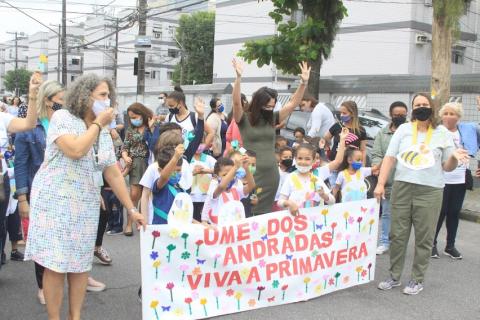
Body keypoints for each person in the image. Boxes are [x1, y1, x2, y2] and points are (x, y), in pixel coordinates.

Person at [24, 73, 145, 320]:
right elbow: (76, 150)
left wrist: (132, 210)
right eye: (102, 95)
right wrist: (98, 124)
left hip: (85, 204)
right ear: (85, 96)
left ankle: (75, 316)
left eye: (108, 95)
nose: (107, 99)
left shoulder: (102, 131)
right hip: (54, 202)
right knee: (56, 265)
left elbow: (112, 172)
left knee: (80, 265)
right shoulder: (63, 118)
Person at [375, 93, 469, 295]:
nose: (421, 107)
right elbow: (390, 158)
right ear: (412, 108)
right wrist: (380, 184)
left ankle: (417, 279)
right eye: (417, 105)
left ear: (432, 108)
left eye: (425, 104)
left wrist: (454, 157)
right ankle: (394, 276)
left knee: (424, 238)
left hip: (430, 191)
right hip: (402, 187)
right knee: (397, 235)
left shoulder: (442, 132)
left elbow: (447, 166)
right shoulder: (404, 129)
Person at [232, 58, 311, 215]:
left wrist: (303, 83)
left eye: (272, 106)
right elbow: (236, 104)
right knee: (248, 213)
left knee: (265, 216)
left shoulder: (272, 118)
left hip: (271, 176)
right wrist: (238, 78)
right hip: (251, 174)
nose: (269, 109)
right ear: (257, 103)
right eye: (266, 106)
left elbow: (292, 103)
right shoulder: (244, 119)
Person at [0, 72, 40, 275]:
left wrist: (32, 96)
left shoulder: (3, 117)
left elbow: (28, 124)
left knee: (1, 225)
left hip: (2, 180)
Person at [432, 102, 479, 260]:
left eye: (453, 114)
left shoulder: (466, 130)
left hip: (460, 178)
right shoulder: (437, 131)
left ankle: (450, 246)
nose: (449, 117)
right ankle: (431, 244)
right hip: (442, 178)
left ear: (458, 117)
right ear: (441, 115)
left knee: (454, 212)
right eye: (446, 113)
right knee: (440, 212)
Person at [371, 101, 408, 255]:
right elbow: (377, 153)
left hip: (406, 180)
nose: (399, 117)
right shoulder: (382, 133)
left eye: (403, 115)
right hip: (388, 180)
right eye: (396, 115)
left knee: (403, 215)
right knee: (386, 213)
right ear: (391, 115)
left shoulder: (410, 132)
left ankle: (398, 242)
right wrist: (377, 167)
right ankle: (384, 241)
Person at [121, 103, 152, 236]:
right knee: (134, 195)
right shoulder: (130, 130)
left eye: (135, 116)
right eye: (131, 117)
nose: (133, 119)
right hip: (136, 163)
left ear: (143, 114)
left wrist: (152, 127)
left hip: (150, 162)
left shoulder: (152, 127)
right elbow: (124, 147)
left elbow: (156, 143)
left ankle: (143, 221)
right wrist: (125, 156)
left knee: (148, 194)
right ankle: (129, 224)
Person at [278, 143, 335, 216]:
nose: (303, 162)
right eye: (300, 158)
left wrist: (323, 195)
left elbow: (332, 201)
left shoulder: (316, 180)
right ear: (295, 159)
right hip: (295, 222)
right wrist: (288, 203)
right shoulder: (290, 178)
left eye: (307, 159)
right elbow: (280, 202)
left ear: (313, 160)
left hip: (314, 222)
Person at [201, 155, 255, 225]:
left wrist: (246, 168)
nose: (230, 177)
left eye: (232, 174)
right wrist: (235, 167)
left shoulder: (236, 190)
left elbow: (251, 185)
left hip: (236, 230)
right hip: (221, 232)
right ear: (216, 176)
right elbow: (222, 186)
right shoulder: (214, 189)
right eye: (225, 175)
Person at [190, 143, 216, 221]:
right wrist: (192, 172)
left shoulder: (209, 159)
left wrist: (205, 171)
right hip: (190, 197)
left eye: (201, 143)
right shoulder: (187, 158)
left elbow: (219, 169)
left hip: (206, 198)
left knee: (204, 220)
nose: (198, 146)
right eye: (197, 142)